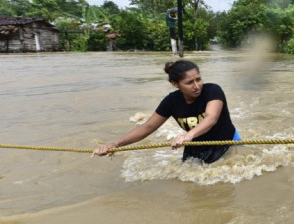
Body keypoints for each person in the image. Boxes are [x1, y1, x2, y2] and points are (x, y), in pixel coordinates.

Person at [93, 60, 241, 163]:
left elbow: (211, 118)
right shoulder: (171, 101)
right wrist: (115, 144)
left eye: (198, 79)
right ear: (175, 84)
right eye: (189, 82)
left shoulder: (213, 90)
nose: (197, 86)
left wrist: (188, 135)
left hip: (226, 142)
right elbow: (148, 127)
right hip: (195, 147)